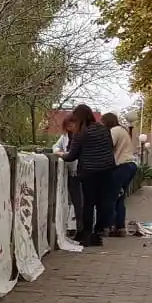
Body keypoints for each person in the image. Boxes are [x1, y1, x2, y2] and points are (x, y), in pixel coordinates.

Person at [56, 104, 116, 247]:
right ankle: (98, 232)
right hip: (107, 170)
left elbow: (71, 156)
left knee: (88, 204)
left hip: (89, 172)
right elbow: (110, 148)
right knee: (103, 203)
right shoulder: (103, 129)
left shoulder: (81, 132)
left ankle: (87, 234)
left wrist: (60, 154)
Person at [103, 112, 138, 236]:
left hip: (121, 166)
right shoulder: (123, 131)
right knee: (120, 197)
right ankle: (120, 227)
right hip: (130, 165)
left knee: (110, 198)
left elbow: (106, 146)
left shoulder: (114, 131)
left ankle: (108, 226)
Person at [52, 117, 82, 236]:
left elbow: (75, 154)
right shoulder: (65, 136)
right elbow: (55, 147)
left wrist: (65, 155)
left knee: (79, 201)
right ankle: (71, 226)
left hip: (78, 172)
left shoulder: (80, 136)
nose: (70, 128)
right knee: (70, 200)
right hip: (67, 171)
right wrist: (60, 153)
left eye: (72, 125)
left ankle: (79, 227)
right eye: (68, 125)